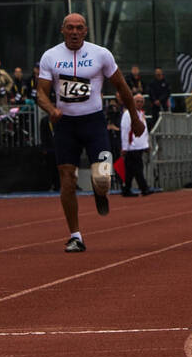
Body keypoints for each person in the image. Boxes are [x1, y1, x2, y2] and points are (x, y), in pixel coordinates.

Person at [34, 13, 143, 253]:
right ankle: (75, 236)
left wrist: (135, 118)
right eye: (70, 28)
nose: (74, 32)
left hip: (93, 122)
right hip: (65, 124)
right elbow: (40, 92)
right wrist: (51, 108)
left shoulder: (101, 54)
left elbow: (122, 87)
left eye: (79, 28)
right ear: (63, 30)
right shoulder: (50, 57)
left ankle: (99, 191)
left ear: (85, 31)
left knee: (103, 177)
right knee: (67, 179)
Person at [120, 93, 152, 196]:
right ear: (133, 102)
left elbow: (145, 130)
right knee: (138, 168)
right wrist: (124, 147)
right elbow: (125, 131)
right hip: (132, 145)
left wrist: (146, 144)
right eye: (137, 101)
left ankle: (126, 189)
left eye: (141, 101)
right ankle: (144, 188)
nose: (140, 103)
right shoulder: (128, 114)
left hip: (140, 145)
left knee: (130, 169)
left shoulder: (141, 114)